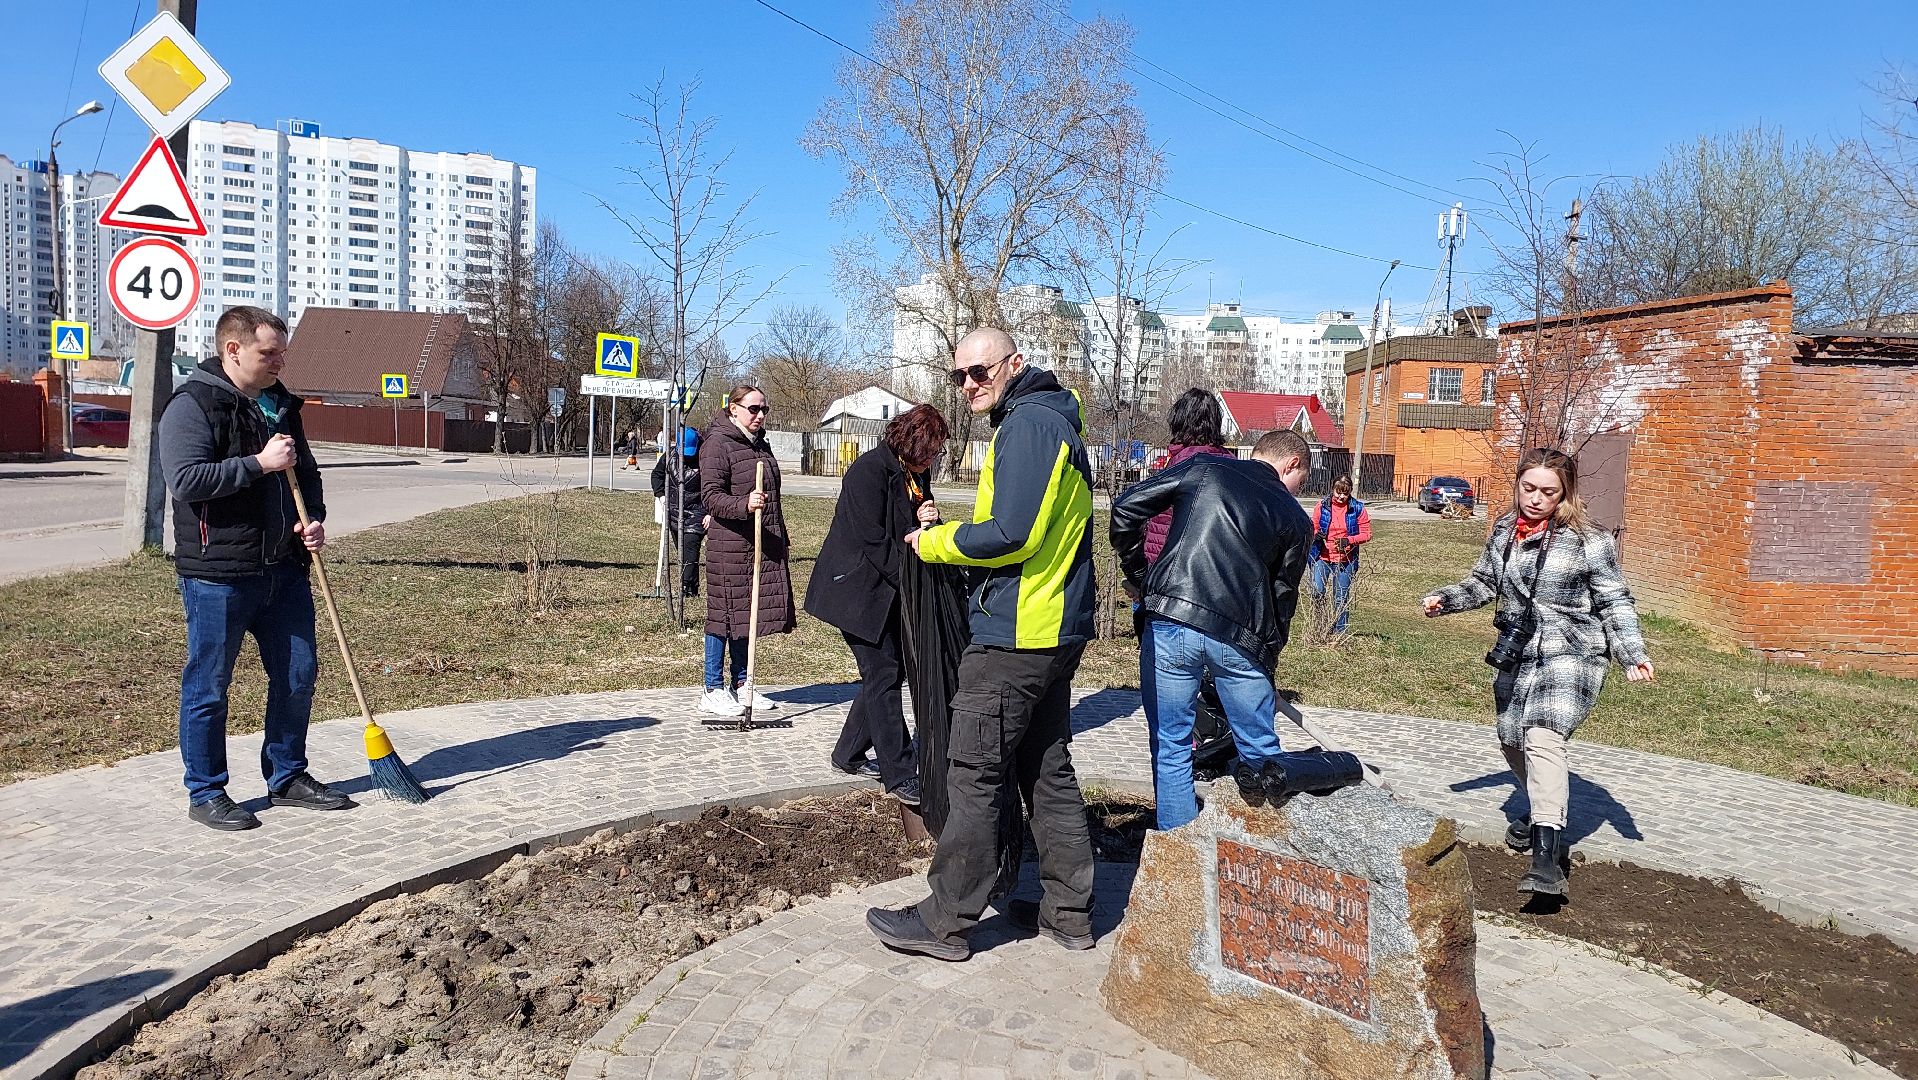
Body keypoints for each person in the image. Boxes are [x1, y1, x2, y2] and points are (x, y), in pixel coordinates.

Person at [865, 327, 1097, 962]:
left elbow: (1014, 534)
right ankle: (1068, 912)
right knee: (1047, 771)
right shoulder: (1055, 420)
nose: (969, 383)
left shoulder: (1027, 425)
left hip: (1015, 636)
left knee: (975, 774)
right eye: (960, 374)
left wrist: (936, 544)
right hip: (1051, 631)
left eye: (980, 371)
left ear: (1014, 365)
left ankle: (946, 921)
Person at [1421, 447, 1655, 899]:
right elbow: (1484, 582)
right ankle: (1541, 806)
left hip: (1574, 651)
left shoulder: (1591, 539)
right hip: (1518, 651)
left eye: (1549, 492)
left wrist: (1632, 653)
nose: (1536, 499)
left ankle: (1547, 859)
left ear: (1565, 493)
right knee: (1512, 740)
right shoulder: (1506, 529)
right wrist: (1446, 599)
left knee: (1543, 736)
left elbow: (1615, 601)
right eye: (1528, 488)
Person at [159, 305, 353, 831]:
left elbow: (306, 476)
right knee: (209, 686)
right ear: (233, 349)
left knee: (297, 674)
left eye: (282, 352)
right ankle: (206, 792)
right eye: (270, 352)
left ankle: (287, 776)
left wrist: (310, 521)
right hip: (217, 573)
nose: (279, 362)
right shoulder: (193, 405)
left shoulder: (281, 407)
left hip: (283, 569)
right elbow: (186, 480)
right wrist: (258, 464)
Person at [1110, 429, 1315, 831]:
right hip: (1240, 639)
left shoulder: (1205, 469)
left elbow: (1125, 509)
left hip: (1171, 620)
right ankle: (1263, 855)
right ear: (1291, 463)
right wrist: (1267, 665)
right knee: (1259, 749)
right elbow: (1282, 600)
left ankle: (1177, 855)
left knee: (1172, 746)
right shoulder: (1294, 517)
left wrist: (1140, 575)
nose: (1296, 490)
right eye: (1301, 480)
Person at [804, 404, 951, 806]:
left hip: (887, 589)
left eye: (936, 453)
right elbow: (873, 541)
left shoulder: (915, 474)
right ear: (910, 441)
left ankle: (848, 752)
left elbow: (913, 529)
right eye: (930, 451)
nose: (933, 459)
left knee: (887, 671)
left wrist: (930, 521)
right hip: (855, 591)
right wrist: (911, 582)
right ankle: (900, 772)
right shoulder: (869, 471)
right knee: (883, 672)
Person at [698, 386, 794, 717]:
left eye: (764, 408)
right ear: (733, 408)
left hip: (758, 544)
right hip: (730, 546)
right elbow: (710, 496)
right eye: (753, 408)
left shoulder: (759, 444)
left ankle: (743, 684)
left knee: (745, 616)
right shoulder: (717, 443)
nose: (760, 415)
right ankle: (712, 688)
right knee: (722, 615)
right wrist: (743, 504)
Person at [1142, 388, 1234, 567]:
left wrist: (1144, 575)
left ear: (1179, 420)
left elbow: (1162, 526)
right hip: (1217, 569)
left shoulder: (1181, 464)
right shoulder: (1232, 464)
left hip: (1171, 569)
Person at [1308, 476, 1373, 635]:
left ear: (1350, 492)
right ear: (1333, 489)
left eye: (1345, 493)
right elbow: (1312, 527)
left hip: (1346, 560)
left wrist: (1349, 540)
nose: (1341, 496)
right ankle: (1320, 626)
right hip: (1322, 557)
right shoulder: (1322, 506)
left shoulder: (1357, 508)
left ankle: (1340, 633)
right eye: (1338, 492)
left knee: (1341, 598)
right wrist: (1316, 535)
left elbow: (1367, 534)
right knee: (1317, 590)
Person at [651, 427, 706, 598]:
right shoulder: (670, 456)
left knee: (690, 550)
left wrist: (710, 513)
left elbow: (714, 487)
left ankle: (684, 589)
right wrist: (661, 496)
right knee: (684, 553)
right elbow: (657, 475)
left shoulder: (706, 459)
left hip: (697, 512)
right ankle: (692, 590)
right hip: (674, 511)